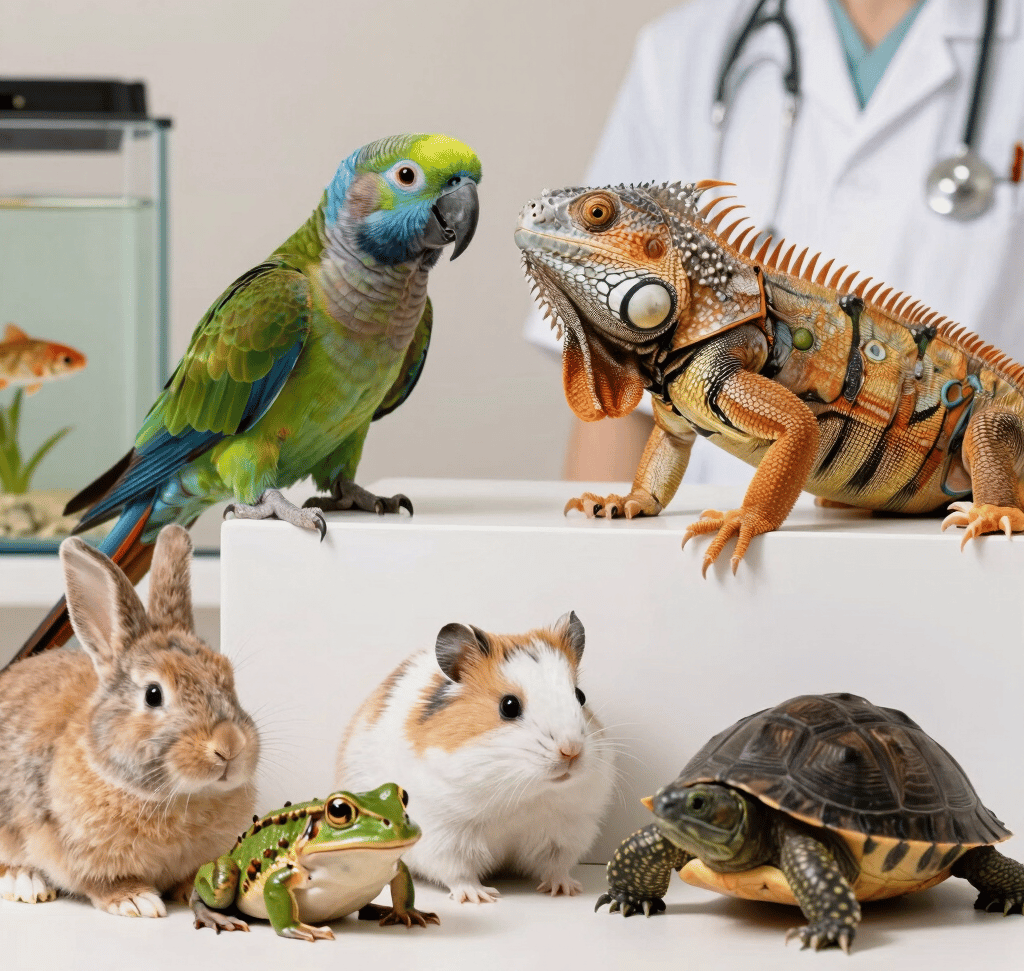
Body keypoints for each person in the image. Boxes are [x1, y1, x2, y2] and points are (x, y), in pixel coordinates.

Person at [525, 0, 1024, 483]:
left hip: (974, 541)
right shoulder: (685, 49)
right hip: (710, 552)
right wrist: (602, 559)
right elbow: (627, 397)